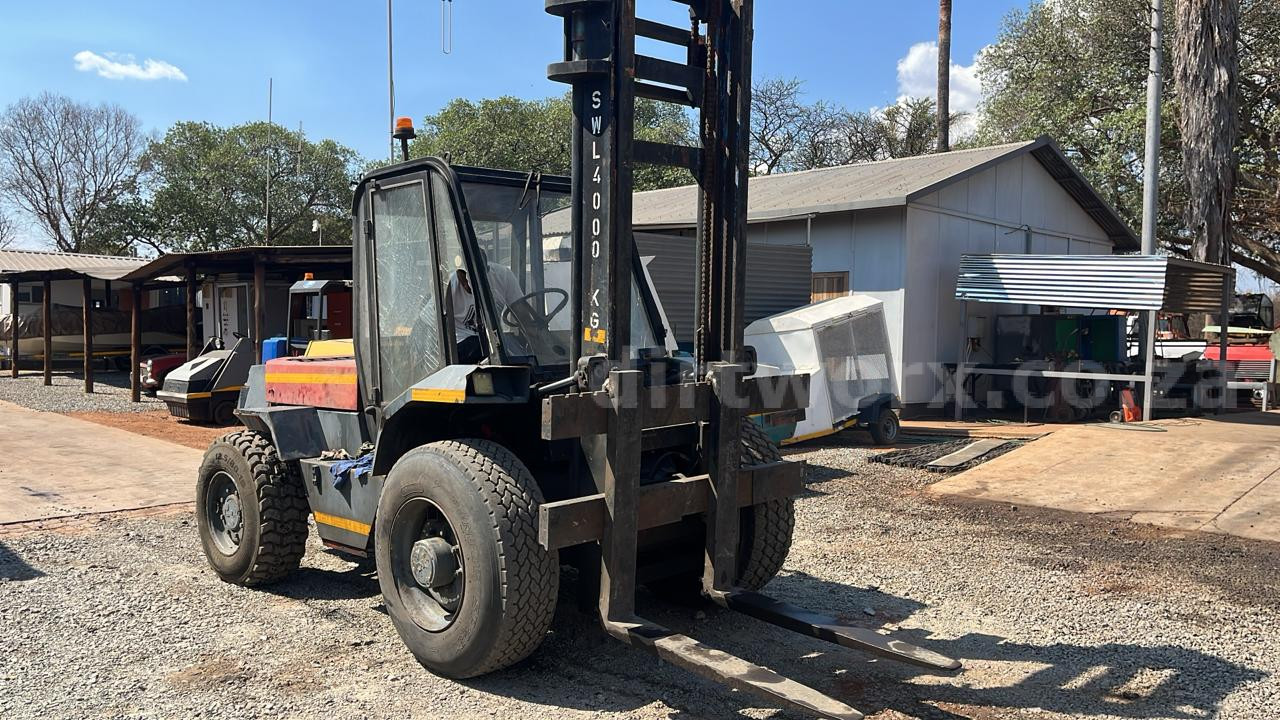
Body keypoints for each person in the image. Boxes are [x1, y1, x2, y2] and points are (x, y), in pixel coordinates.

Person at [449, 255, 523, 364]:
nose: (466, 284)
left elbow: (523, 313)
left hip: (493, 339)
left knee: (518, 352)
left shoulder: (503, 276)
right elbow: (429, 323)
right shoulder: (448, 287)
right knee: (479, 344)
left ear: (485, 270)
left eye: (470, 277)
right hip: (462, 342)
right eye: (463, 277)